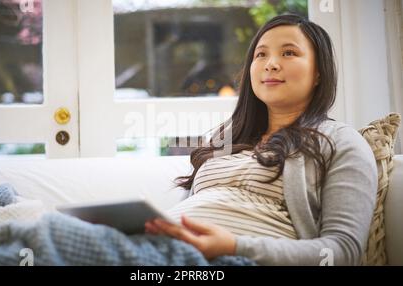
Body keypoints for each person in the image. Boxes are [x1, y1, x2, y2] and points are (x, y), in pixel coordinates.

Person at [145, 14, 378, 266]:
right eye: (261, 54)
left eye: (289, 53)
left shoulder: (341, 141)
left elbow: (342, 252)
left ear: (319, 73)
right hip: (165, 253)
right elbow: (192, 211)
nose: (271, 64)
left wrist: (236, 246)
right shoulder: (225, 139)